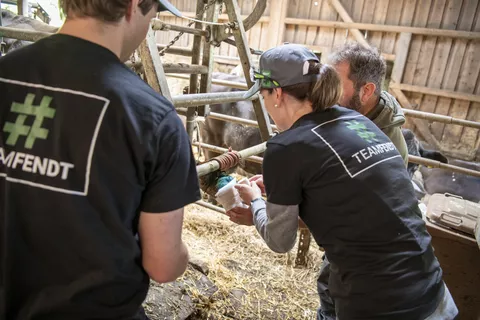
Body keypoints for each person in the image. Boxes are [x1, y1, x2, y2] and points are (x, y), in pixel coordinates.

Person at [0, 1, 200, 319]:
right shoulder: (153, 117)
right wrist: (182, 256)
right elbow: (162, 266)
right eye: (154, 14)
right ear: (135, 6)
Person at [228, 43, 458, 319]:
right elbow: (345, 199)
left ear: (276, 94)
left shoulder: (285, 147)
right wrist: (284, 189)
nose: (265, 105)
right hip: (433, 291)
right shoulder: (358, 121)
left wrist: (256, 203)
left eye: (263, 97)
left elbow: (280, 241)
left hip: (379, 305)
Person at [315, 42, 412, 318]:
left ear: (366, 91)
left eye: (336, 82)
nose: (328, 90)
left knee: (335, 295)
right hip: (345, 239)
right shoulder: (352, 115)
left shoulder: (384, 145)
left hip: (363, 248)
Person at [328, 42, 409, 166]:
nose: (328, 92)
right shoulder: (348, 113)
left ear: (366, 91)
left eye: (337, 85)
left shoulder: (386, 152)